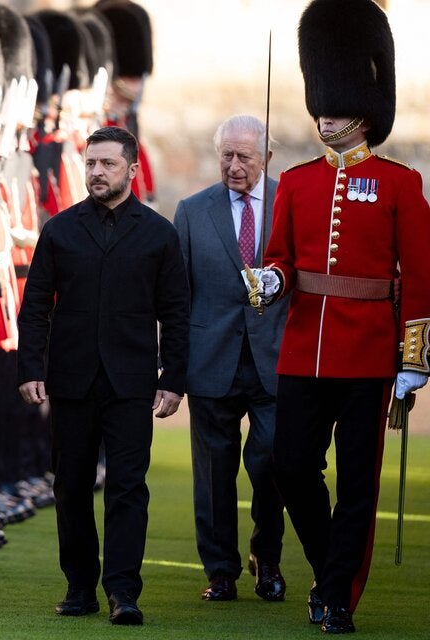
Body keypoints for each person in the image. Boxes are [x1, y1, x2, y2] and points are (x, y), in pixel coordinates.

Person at [256, 0, 430, 633]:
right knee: (291, 465)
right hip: (304, 349)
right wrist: (267, 280)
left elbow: (420, 278)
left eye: (336, 102)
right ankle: (331, 563)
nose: (325, 112)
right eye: (321, 99)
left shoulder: (398, 185)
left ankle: (336, 597)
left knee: (358, 482)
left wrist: (412, 360)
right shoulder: (298, 183)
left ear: (364, 108)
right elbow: (281, 261)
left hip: (368, 353)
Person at [16, 125, 189, 625]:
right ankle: (79, 586)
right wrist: (31, 367)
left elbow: (176, 311)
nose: (96, 172)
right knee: (70, 485)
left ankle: (123, 591)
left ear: (132, 170)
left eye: (108, 164)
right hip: (70, 381)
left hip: (132, 383)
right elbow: (35, 308)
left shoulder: (159, 234)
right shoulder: (60, 230)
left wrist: (174, 377)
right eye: (91, 163)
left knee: (128, 487)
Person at [173, 115, 288, 603]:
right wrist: (173, 368)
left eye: (244, 156)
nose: (234, 165)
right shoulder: (192, 211)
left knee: (270, 463)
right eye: (227, 155)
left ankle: (268, 557)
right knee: (215, 473)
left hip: (274, 360)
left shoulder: (290, 202)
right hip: (211, 359)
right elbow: (177, 297)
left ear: (265, 157)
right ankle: (220, 570)